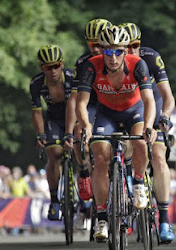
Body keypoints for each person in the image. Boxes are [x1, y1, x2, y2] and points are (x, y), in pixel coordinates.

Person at [76, 25, 157, 241]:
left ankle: (138, 182)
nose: (113, 57)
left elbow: (149, 100)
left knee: (140, 142)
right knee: (100, 157)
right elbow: (81, 102)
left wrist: (149, 126)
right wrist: (86, 125)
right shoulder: (91, 67)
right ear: (101, 51)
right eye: (108, 51)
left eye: (118, 51)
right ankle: (102, 216)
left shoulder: (137, 65)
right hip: (107, 114)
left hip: (134, 111)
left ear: (126, 51)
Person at [118, 22, 175, 243]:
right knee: (126, 146)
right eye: (127, 46)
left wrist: (165, 116)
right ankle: (128, 183)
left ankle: (164, 219)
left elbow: (168, 96)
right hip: (127, 107)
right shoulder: (112, 63)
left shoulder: (150, 57)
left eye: (135, 45)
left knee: (159, 156)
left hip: (153, 103)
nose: (131, 51)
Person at [64, 18, 112, 201]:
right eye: (92, 44)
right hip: (91, 103)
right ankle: (84, 171)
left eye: (100, 44)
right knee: (79, 131)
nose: (96, 49)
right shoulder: (83, 62)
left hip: (114, 103)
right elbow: (74, 99)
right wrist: (69, 132)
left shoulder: (117, 57)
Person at [29, 45, 74, 220]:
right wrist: (41, 135)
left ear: (62, 65)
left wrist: (70, 133)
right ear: (42, 68)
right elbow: (37, 112)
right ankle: (54, 200)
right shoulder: (37, 83)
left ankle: (85, 175)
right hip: (54, 118)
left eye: (56, 66)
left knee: (81, 150)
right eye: (48, 67)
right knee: (54, 153)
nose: (53, 71)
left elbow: (75, 107)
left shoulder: (71, 78)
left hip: (74, 115)